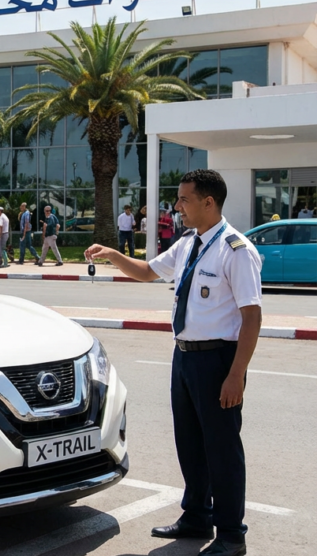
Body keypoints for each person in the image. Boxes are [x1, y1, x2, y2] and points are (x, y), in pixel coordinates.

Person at [85, 170, 260, 556]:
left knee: (222, 449)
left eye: (184, 200)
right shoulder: (188, 244)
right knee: (191, 444)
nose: (177, 207)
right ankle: (196, 516)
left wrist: (236, 375)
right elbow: (148, 271)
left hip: (218, 360)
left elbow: (252, 317)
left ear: (208, 202)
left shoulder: (236, 250)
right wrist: (114, 255)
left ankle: (231, 534)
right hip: (184, 357)